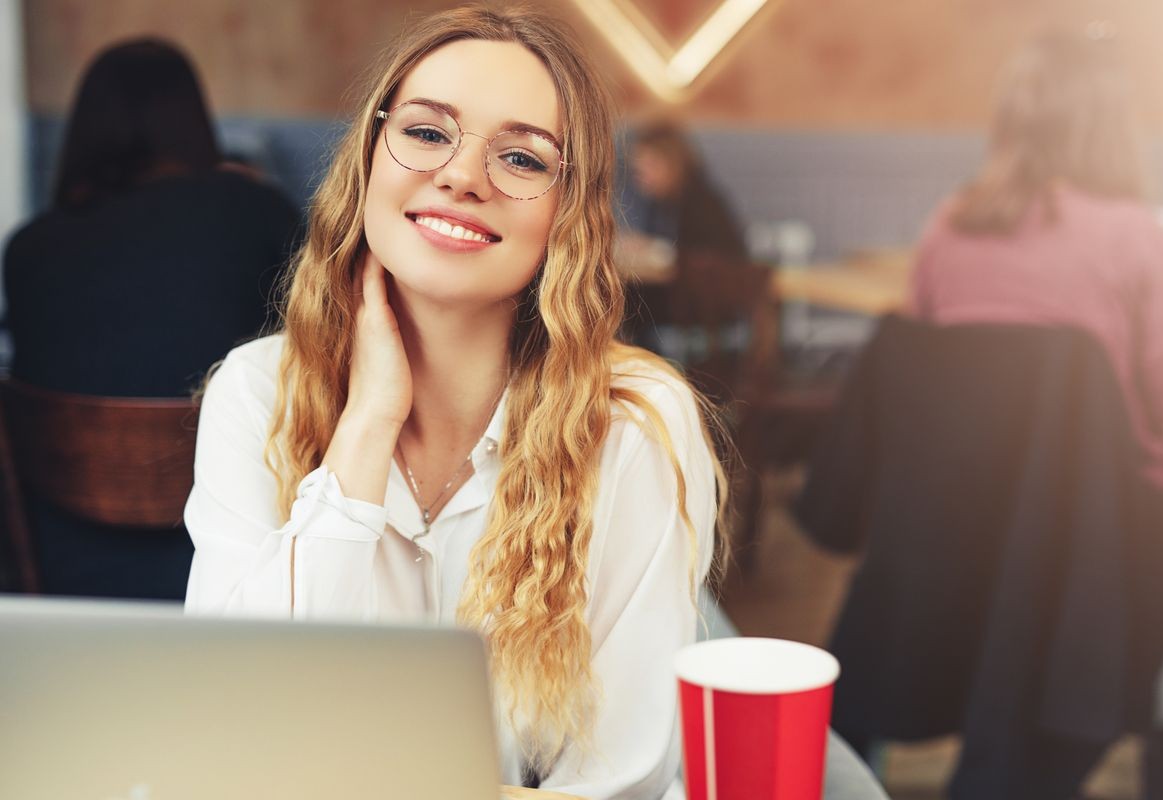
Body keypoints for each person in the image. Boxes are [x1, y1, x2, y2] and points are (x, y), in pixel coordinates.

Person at [182, 7, 728, 799]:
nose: (464, 176)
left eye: (520, 157)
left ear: (566, 212)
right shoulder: (254, 390)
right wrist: (366, 427)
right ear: (369, 158)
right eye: (429, 134)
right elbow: (237, 724)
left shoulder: (635, 423)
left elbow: (624, 775)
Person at [908, 30, 1163, 798]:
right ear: (1111, 122)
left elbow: (925, 374)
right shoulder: (1131, 233)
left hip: (971, 533)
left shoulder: (950, 223)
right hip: (1104, 540)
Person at [2, 39, 300, 600]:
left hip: (68, 567)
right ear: (193, 123)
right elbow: (321, 340)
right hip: (224, 553)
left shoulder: (29, 249)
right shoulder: (251, 210)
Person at [616, 119, 749, 352]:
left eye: (650, 165)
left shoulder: (701, 203)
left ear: (672, 163)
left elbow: (703, 260)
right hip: (682, 294)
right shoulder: (662, 202)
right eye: (639, 167)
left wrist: (652, 249)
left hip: (709, 300)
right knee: (620, 296)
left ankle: (644, 371)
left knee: (624, 302)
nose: (641, 174)